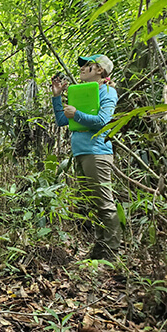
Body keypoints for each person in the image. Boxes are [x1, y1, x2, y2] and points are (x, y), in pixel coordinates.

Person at [51, 54, 121, 260]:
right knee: (93, 203)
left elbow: (104, 121)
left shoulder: (107, 91)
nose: (82, 68)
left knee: (104, 203)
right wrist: (57, 97)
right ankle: (99, 251)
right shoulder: (80, 92)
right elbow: (62, 120)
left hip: (97, 152)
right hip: (81, 153)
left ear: (100, 70)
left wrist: (78, 115)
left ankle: (111, 253)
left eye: (88, 65)